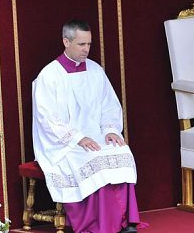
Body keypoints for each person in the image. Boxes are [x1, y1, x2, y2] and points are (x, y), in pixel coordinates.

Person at [32, 20, 139, 233]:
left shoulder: (95, 70)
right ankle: (99, 223)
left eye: (89, 44)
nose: (86, 49)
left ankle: (124, 221)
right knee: (92, 156)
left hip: (95, 135)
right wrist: (77, 138)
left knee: (121, 150)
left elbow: (109, 104)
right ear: (66, 42)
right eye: (81, 44)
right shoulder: (49, 76)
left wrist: (110, 130)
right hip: (64, 144)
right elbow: (48, 119)